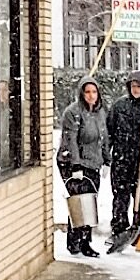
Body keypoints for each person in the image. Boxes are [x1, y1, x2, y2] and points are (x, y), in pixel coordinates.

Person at [57, 76, 109, 257]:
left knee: (90, 202)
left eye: (94, 92)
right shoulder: (73, 113)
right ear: (81, 93)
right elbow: (70, 140)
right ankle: (77, 242)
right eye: (87, 92)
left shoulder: (100, 112)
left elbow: (104, 138)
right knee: (80, 201)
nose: (91, 96)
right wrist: (75, 165)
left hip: (93, 161)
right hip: (72, 162)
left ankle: (84, 241)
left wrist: (107, 160)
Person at [105, 71, 140, 251]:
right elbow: (109, 132)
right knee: (120, 198)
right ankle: (119, 230)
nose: (136, 90)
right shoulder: (119, 106)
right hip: (122, 160)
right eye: (133, 87)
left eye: (139, 87)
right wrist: (107, 157)